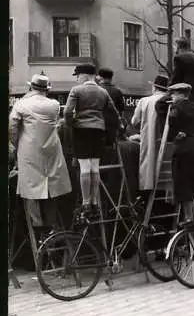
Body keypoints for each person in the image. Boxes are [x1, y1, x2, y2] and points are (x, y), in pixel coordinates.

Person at [10, 74, 72, 240]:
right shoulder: (54, 104)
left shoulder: (21, 104)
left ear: (31, 87)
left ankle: (37, 225)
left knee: (29, 189)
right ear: (46, 89)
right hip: (51, 151)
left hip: (29, 151)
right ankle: (51, 226)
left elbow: (12, 128)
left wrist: (16, 145)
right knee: (50, 189)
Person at [64, 64, 120, 216]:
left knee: (84, 167)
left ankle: (86, 202)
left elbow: (67, 111)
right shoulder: (102, 91)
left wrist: (72, 124)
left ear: (85, 75)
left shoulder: (76, 90)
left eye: (78, 75)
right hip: (98, 130)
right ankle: (95, 202)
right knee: (95, 167)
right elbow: (114, 112)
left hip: (81, 130)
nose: (77, 78)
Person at [156, 83, 194, 226]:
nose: (172, 97)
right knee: (192, 180)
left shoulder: (176, 108)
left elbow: (167, 116)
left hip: (182, 147)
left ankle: (189, 217)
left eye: (174, 94)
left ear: (181, 94)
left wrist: (174, 135)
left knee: (182, 182)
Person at [130, 75, 170, 195]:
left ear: (154, 87)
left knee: (149, 168)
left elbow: (134, 121)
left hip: (150, 139)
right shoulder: (170, 101)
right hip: (168, 142)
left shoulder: (145, 101)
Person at [169, 37, 194, 104]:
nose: (173, 49)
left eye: (174, 46)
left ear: (178, 46)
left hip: (185, 96)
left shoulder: (179, 58)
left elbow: (176, 77)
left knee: (160, 103)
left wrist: (169, 88)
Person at [97, 68, 126, 146]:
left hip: (98, 123)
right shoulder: (117, 91)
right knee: (111, 149)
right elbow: (121, 111)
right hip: (112, 126)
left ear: (101, 77)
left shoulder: (97, 89)